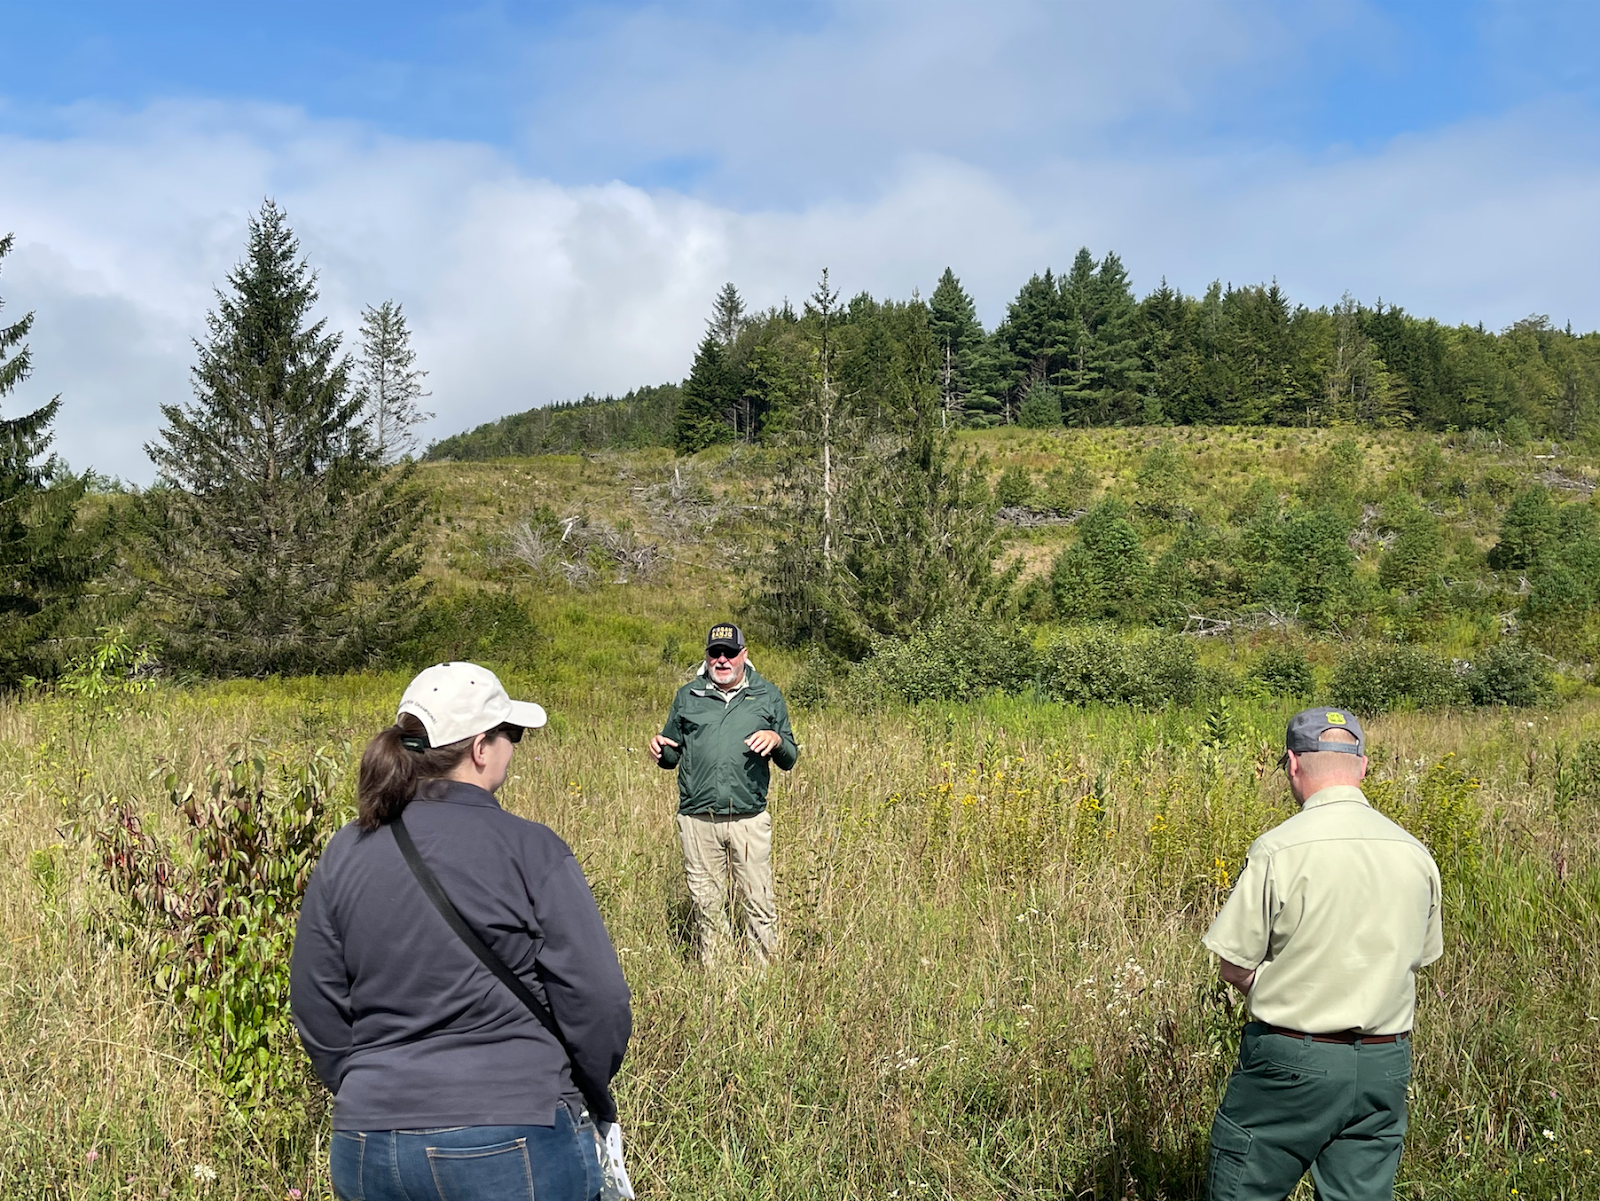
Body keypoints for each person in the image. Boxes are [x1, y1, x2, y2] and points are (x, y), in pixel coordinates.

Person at [291, 662, 631, 1201]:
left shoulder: (345, 851)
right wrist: (576, 1090)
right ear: (479, 748)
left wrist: (372, 1089)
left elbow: (316, 1004)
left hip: (368, 1144)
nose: (513, 748)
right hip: (513, 1131)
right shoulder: (531, 849)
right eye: (511, 734)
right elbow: (599, 1001)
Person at [1201, 707, 1443, 1201]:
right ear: (1363, 766)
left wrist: (1280, 987)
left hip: (1291, 1059)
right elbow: (1418, 958)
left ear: (1293, 764)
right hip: (1384, 1063)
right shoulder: (1415, 853)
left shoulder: (1278, 849)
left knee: (1243, 1189)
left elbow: (1235, 965)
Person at [649, 622, 798, 964]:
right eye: (715, 653)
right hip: (697, 820)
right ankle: (718, 977)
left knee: (758, 903)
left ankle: (764, 976)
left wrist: (776, 740)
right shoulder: (688, 696)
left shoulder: (767, 695)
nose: (722, 660)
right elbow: (671, 755)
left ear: (743, 654)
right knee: (707, 905)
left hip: (749, 819)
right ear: (706, 656)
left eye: (729, 653)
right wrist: (660, 748)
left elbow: (789, 758)